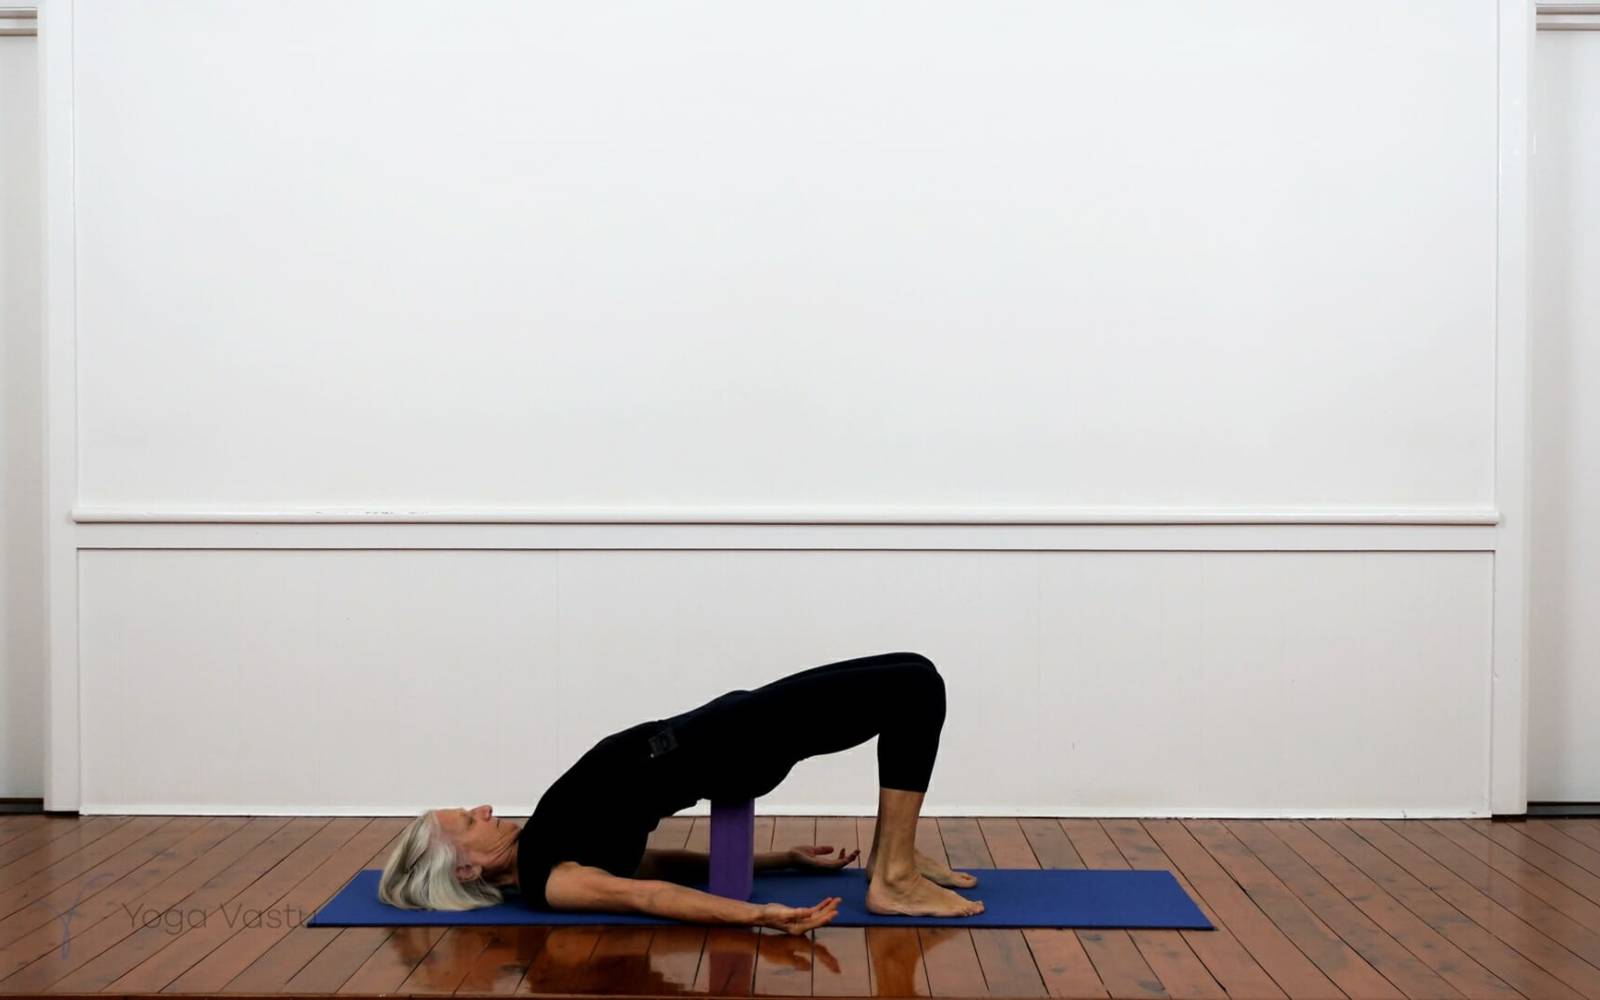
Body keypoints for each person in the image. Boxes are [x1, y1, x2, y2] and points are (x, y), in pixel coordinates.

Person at [377, 651, 983, 932]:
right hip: (739, 747)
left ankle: (891, 855)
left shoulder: (544, 845)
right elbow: (649, 897)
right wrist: (759, 915)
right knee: (915, 693)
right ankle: (894, 877)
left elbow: (656, 863)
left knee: (916, 667)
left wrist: (780, 861)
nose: (483, 809)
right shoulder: (550, 881)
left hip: (725, 726)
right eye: (469, 820)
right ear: (465, 868)